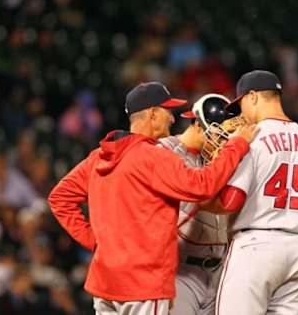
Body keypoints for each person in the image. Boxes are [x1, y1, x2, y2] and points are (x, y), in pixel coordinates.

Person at [47, 82, 257, 315]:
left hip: (105, 283)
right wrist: (237, 145)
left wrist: (95, 242)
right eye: (167, 111)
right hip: (143, 285)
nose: (172, 119)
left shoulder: (99, 157)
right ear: (153, 114)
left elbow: (60, 198)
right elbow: (202, 186)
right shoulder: (153, 157)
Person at [202, 71, 298, 314]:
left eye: (241, 102)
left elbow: (230, 201)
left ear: (252, 97)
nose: (241, 112)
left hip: (256, 247)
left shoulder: (251, 140)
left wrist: (198, 199)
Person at [158, 93, 234, 315]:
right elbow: (201, 194)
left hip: (218, 270)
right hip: (181, 271)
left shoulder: (216, 157)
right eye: (218, 135)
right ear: (199, 126)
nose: (223, 141)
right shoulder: (165, 150)